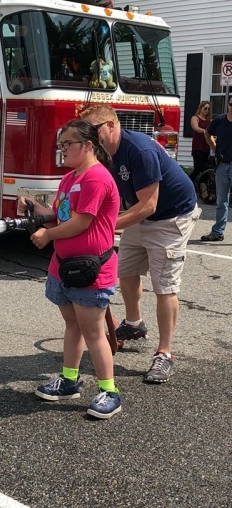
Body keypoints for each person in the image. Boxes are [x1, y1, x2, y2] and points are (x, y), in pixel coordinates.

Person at [79, 105, 201, 383]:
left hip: (171, 216)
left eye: (92, 129)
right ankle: (134, 323)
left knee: (164, 285)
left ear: (110, 126)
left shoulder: (139, 150)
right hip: (139, 212)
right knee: (126, 269)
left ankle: (165, 353)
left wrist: (105, 225)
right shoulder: (101, 152)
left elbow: (149, 205)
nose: (87, 136)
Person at [18, 119, 121, 419]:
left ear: (88, 145)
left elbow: (81, 223)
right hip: (64, 267)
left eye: (68, 144)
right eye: (61, 144)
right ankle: (69, 380)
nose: (62, 150)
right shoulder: (68, 179)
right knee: (73, 325)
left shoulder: (96, 178)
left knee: (93, 331)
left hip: (90, 270)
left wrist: (48, 235)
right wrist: (34, 208)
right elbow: (60, 216)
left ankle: (110, 391)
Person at [201, 98, 232, 241]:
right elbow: (207, 133)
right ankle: (218, 232)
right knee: (221, 201)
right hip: (222, 165)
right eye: (231, 104)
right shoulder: (219, 120)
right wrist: (213, 147)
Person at [189, 101, 211, 187]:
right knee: (198, 169)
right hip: (198, 147)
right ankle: (186, 184)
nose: (207, 110)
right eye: (205, 108)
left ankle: (204, 192)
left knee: (205, 171)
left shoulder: (209, 121)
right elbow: (196, 128)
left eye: (208, 109)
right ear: (201, 108)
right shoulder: (195, 118)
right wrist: (206, 131)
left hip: (207, 147)